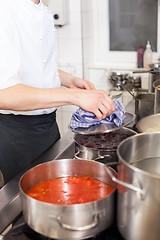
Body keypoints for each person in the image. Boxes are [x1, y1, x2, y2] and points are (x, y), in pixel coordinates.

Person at [0, 0, 115, 183]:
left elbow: (36, 66)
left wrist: (69, 80)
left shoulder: (42, 8)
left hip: (48, 126)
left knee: (55, 188)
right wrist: (74, 96)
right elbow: (4, 93)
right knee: (23, 203)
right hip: (17, 135)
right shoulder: (4, 9)